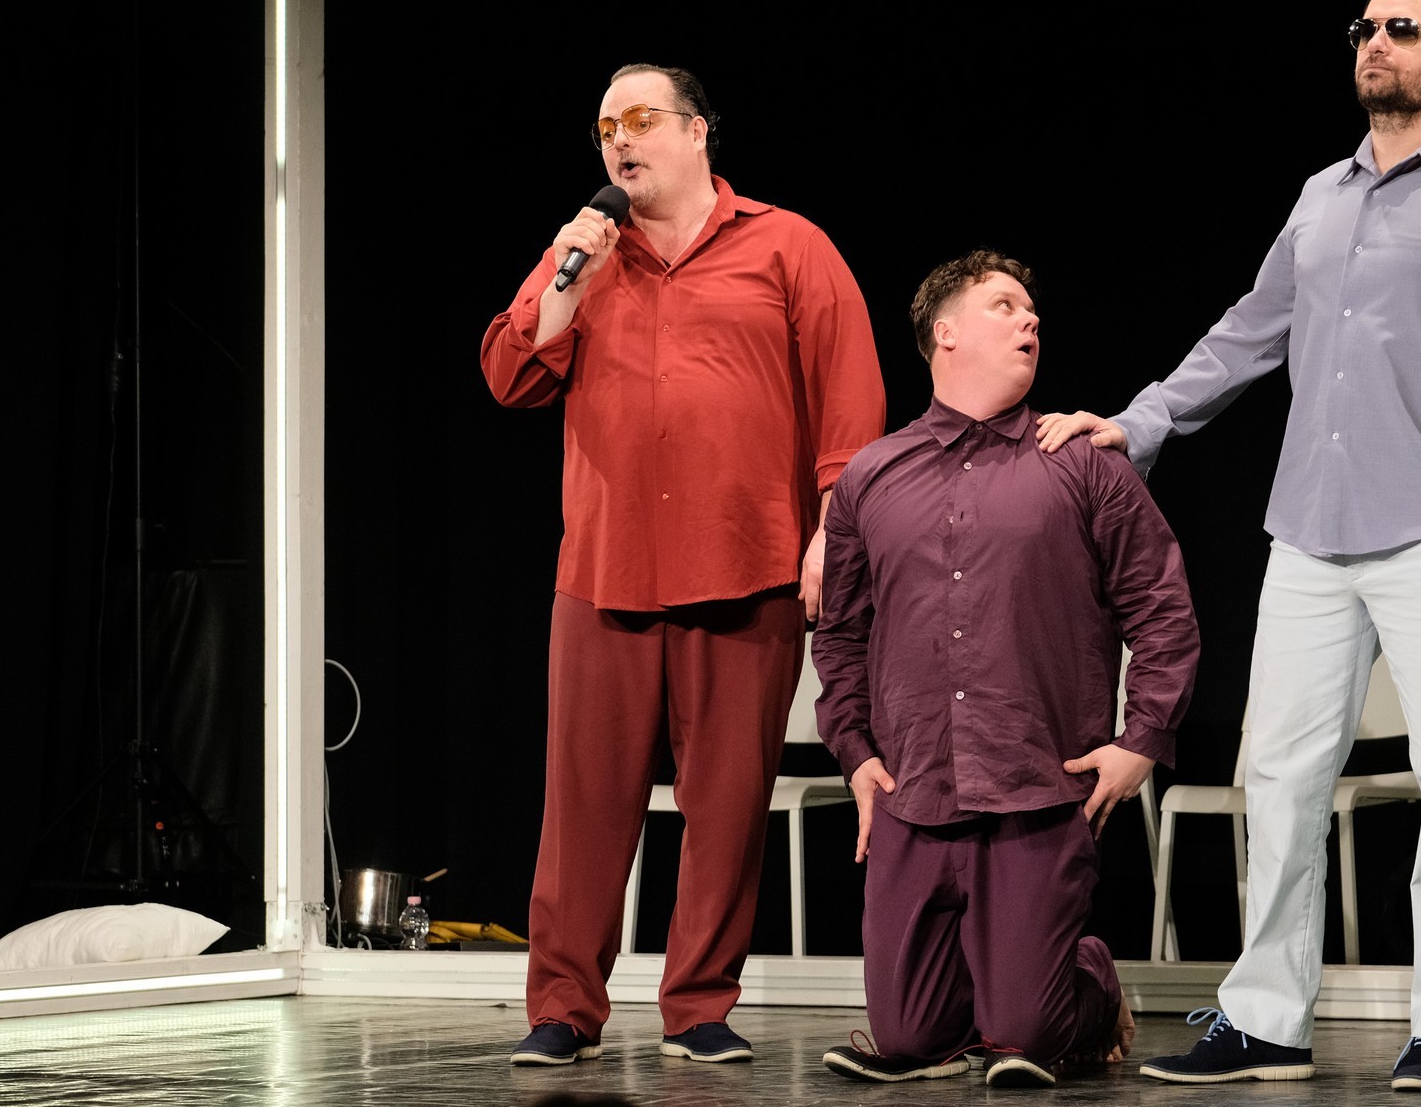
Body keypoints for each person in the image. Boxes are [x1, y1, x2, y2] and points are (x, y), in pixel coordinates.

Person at [1037, 0, 1421, 1091]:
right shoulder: (1322, 195)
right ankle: (1267, 1020)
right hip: (1309, 531)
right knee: (1281, 777)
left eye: (1402, 29)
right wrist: (1141, 419)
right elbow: (1251, 330)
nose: (1375, 44)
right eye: (1365, 29)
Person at [481, 63, 886, 1067]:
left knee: (728, 805)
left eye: (641, 119)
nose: (620, 140)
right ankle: (564, 1006)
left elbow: (848, 397)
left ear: (699, 131)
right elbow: (509, 374)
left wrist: (834, 529)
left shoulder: (787, 245)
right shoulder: (584, 250)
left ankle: (699, 1004)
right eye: (606, 127)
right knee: (582, 807)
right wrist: (568, 279)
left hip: (745, 566)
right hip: (605, 569)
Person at [810, 251, 1200, 1088]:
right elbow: (839, 632)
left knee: (1025, 1032)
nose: (1031, 319)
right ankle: (982, 998)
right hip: (915, 789)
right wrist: (854, 752)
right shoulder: (873, 474)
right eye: (1005, 305)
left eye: (1031, 309)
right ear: (945, 332)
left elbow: (1161, 608)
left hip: (1038, 786)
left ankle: (1088, 979)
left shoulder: (1082, 461)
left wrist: (1141, 740)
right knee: (908, 1037)